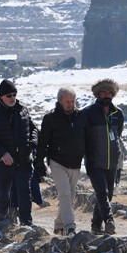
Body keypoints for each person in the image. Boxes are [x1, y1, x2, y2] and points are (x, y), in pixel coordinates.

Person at [0, 79, 38, 226]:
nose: (12, 98)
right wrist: (2, 154)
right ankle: (2, 220)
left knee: (24, 192)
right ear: (1, 96)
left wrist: (32, 144)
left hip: (24, 160)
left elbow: (34, 130)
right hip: (2, 163)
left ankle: (27, 223)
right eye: (9, 95)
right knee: (3, 193)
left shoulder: (23, 110)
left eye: (14, 94)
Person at [37, 86, 86, 235]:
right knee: (64, 194)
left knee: (69, 197)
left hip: (76, 163)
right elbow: (43, 141)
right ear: (59, 101)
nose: (71, 104)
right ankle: (70, 226)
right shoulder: (50, 118)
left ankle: (59, 225)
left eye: (73, 101)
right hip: (57, 162)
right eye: (67, 101)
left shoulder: (81, 117)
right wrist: (39, 162)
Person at [83, 79, 125, 235]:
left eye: (109, 92)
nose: (106, 95)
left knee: (108, 194)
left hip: (112, 162)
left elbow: (118, 134)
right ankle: (109, 221)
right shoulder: (88, 113)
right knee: (102, 192)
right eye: (103, 92)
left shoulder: (118, 114)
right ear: (97, 94)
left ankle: (95, 225)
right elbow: (82, 136)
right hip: (94, 162)